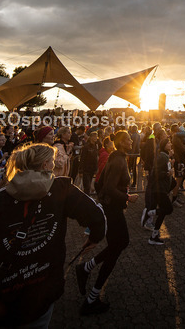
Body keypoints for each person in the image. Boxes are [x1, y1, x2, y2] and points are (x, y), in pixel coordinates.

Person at [0, 142, 106, 328]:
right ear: (45, 165)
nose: (55, 164)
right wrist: (94, 237)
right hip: (40, 294)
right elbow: (97, 217)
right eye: (52, 161)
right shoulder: (62, 190)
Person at [76, 130, 138, 315]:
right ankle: (92, 299)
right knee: (119, 245)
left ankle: (86, 268)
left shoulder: (114, 157)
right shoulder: (118, 160)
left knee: (118, 245)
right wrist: (127, 197)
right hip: (112, 211)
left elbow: (99, 184)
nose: (130, 141)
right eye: (127, 139)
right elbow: (109, 188)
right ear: (120, 142)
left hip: (111, 209)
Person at [149, 136, 176, 245]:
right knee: (169, 209)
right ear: (164, 145)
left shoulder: (165, 156)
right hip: (159, 189)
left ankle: (153, 236)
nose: (170, 145)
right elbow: (155, 173)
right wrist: (167, 174)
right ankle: (152, 212)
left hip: (162, 188)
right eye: (168, 143)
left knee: (163, 213)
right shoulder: (162, 157)